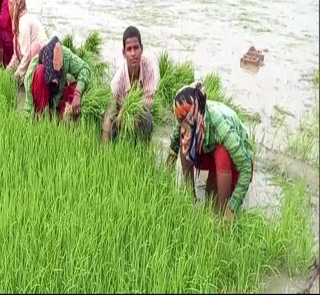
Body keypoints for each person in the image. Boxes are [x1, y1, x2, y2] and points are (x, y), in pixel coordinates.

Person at [165, 82, 254, 223]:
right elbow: (174, 146)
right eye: (181, 123)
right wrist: (164, 181)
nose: (182, 127)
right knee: (185, 140)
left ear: (195, 116)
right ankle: (190, 198)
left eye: (185, 123)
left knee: (222, 154)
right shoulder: (185, 118)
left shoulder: (222, 127)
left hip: (231, 163)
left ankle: (223, 213)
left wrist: (232, 207)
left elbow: (246, 168)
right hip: (207, 152)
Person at [101, 26, 159, 144]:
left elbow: (149, 102)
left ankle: (142, 150)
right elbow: (109, 116)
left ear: (141, 49)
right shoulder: (118, 82)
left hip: (139, 115)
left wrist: (129, 109)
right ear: (124, 53)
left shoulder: (148, 66)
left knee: (147, 118)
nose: (133, 53)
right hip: (120, 120)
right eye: (129, 49)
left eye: (136, 48)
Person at [23, 36, 91, 121]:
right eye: (52, 76)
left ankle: (62, 117)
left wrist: (77, 93)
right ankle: (42, 115)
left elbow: (85, 69)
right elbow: (28, 107)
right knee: (39, 71)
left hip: (58, 97)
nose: (55, 80)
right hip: (41, 99)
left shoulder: (66, 55)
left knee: (78, 86)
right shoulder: (33, 68)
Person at [6, 0, 49, 84]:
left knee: (32, 51)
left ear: (15, 6)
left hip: (42, 57)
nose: (9, 7)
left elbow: (25, 55)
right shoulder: (20, 20)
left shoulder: (23, 23)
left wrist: (16, 77)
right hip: (33, 55)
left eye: (10, 4)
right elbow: (17, 55)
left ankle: (29, 81)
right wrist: (7, 72)